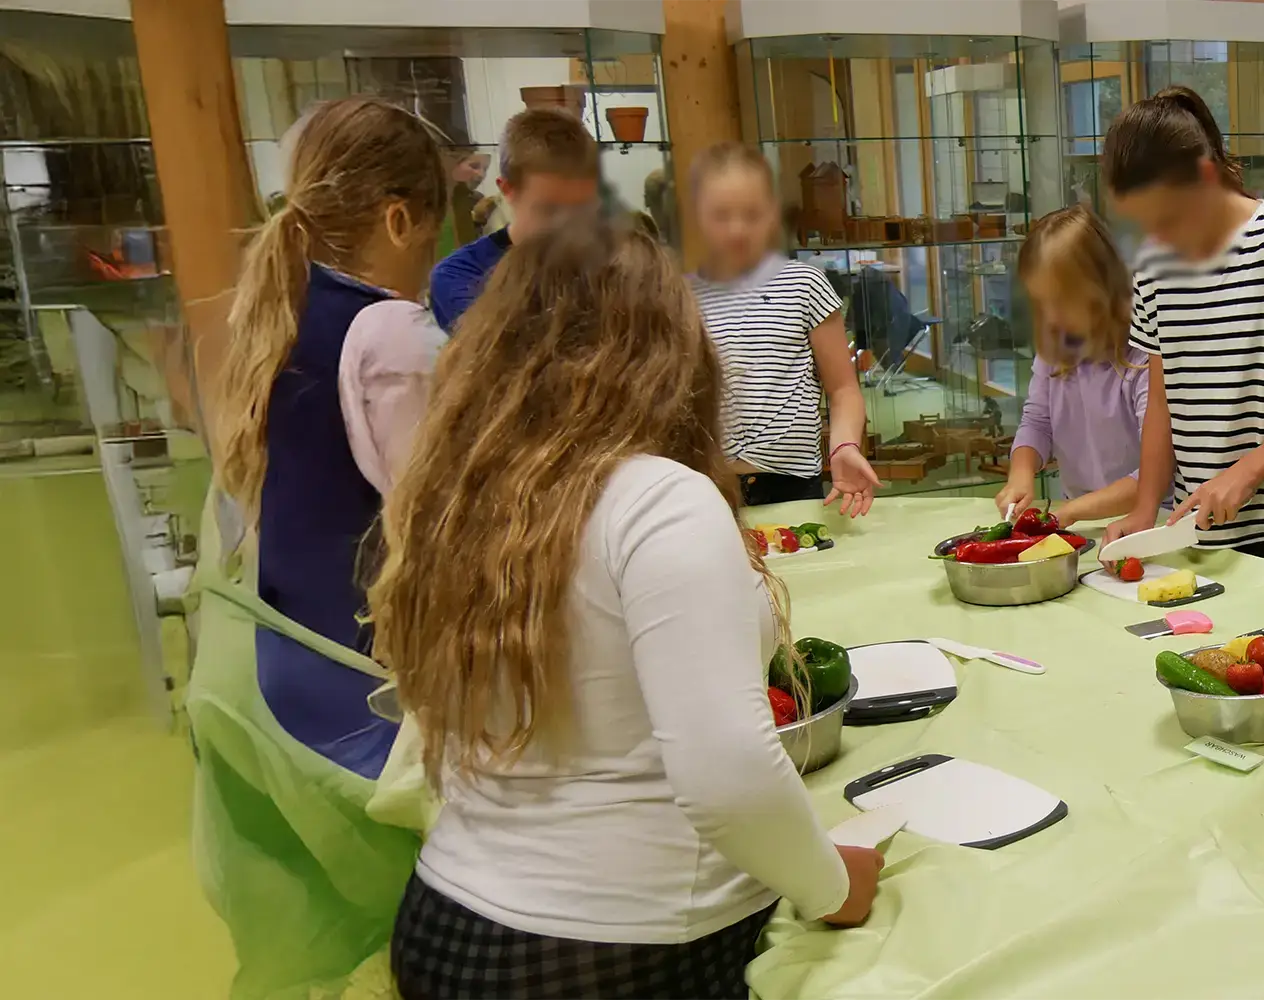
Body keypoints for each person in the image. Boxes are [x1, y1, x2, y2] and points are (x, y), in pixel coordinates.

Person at [370, 218, 879, 998]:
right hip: (620, 951)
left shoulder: (458, 496)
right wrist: (831, 887)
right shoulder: (658, 500)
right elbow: (730, 778)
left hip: (444, 924)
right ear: (671, 346)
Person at [192, 96, 452, 998]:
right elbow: (447, 519)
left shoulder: (267, 315)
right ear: (396, 218)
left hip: (253, 672)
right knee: (422, 925)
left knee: (313, 941)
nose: (431, 262)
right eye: (430, 236)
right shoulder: (389, 332)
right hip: (355, 692)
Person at [1099, 86, 1264, 574]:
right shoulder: (1153, 267)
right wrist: (1144, 509)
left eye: (1169, 219)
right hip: (1194, 534)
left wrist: (1249, 470)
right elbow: (1162, 400)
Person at [686, 142, 878, 513]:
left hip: (793, 483)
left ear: (772, 214)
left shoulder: (805, 284)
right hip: (709, 486)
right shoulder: (679, 296)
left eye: (752, 214)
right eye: (721, 215)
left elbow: (842, 390)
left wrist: (844, 446)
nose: (737, 229)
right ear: (698, 215)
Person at [996, 205, 1149, 526]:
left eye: (1061, 301)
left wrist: (1069, 512)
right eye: (1041, 303)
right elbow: (1037, 422)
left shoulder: (1143, 353)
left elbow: (1154, 473)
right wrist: (1021, 474)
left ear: (1101, 288)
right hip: (1077, 516)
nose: (1051, 317)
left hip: (1146, 521)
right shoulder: (1056, 345)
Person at [428, 108, 600, 329]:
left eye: (581, 208)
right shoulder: (459, 277)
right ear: (507, 189)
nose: (566, 226)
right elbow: (501, 353)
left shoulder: (609, 261)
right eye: (549, 210)